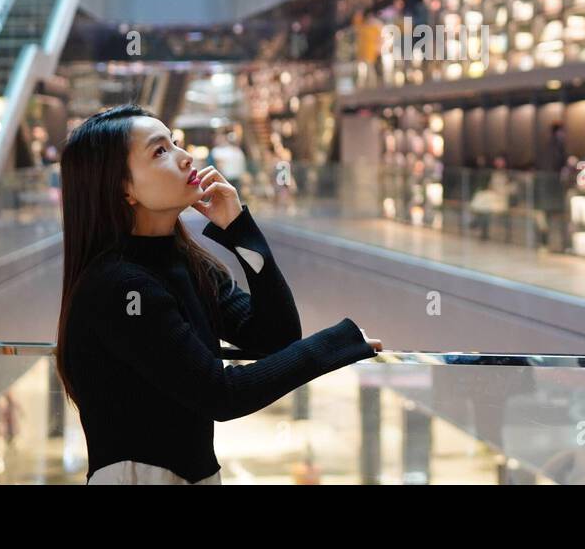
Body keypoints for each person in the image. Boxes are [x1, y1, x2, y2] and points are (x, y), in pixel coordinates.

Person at [55, 104, 380, 485]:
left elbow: (274, 336)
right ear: (122, 188)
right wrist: (338, 344)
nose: (185, 156)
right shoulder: (120, 286)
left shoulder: (186, 263)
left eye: (174, 143)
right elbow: (222, 394)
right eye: (160, 151)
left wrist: (239, 227)